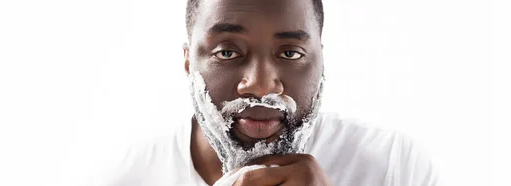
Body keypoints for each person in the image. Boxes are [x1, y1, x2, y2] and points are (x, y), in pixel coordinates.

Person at [96, 0, 438, 185]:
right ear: (188, 62)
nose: (260, 85)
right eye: (227, 52)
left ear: (322, 61)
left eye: (290, 53)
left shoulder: (393, 168)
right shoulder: (128, 177)